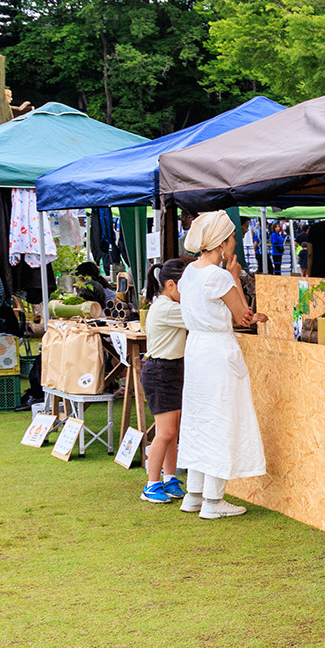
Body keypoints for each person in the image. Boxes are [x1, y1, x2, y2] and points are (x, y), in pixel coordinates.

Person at [176, 211, 269, 518]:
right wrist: (237, 276)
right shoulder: (218, 276)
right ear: (222, 242)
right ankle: (213, 501)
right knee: (221, 418)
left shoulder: (190, 271)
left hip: (197, 347)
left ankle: (194, 494)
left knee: (200, 418)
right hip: (217, 348)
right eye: (232, 239)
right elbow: (242, 316)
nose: (235, 244)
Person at [140, 258, 190, 504]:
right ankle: (151, 484)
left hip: (171, 368)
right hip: (161, 370)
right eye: (186, 286)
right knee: (166, 431)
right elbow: (199, 316)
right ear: (171, 285)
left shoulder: (166, 303)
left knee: (172, 431)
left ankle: (169, 478)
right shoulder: (168, 308)